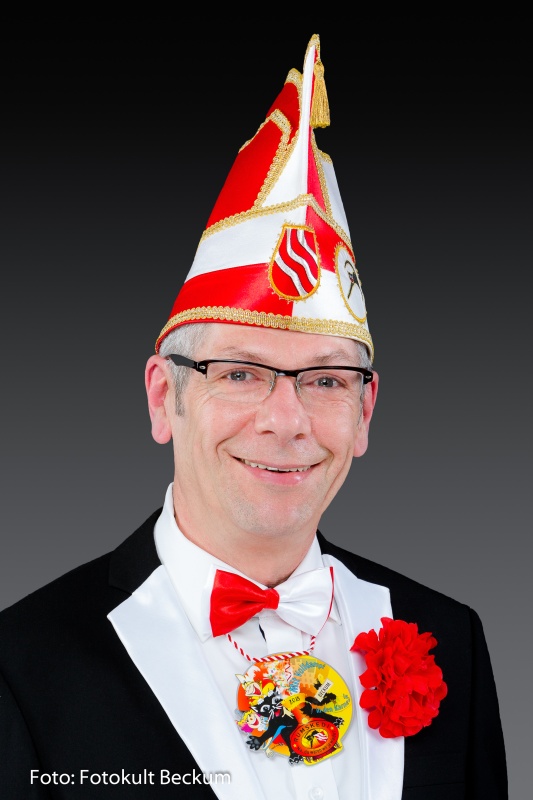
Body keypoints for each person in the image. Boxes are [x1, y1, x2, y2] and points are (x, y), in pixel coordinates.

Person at [0, 34, 507, 799]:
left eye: (326, 380)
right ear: (162, 397)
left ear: (365, 411)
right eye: (239, 373)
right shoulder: (21, 664)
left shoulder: (449, 637)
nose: (285, 419)